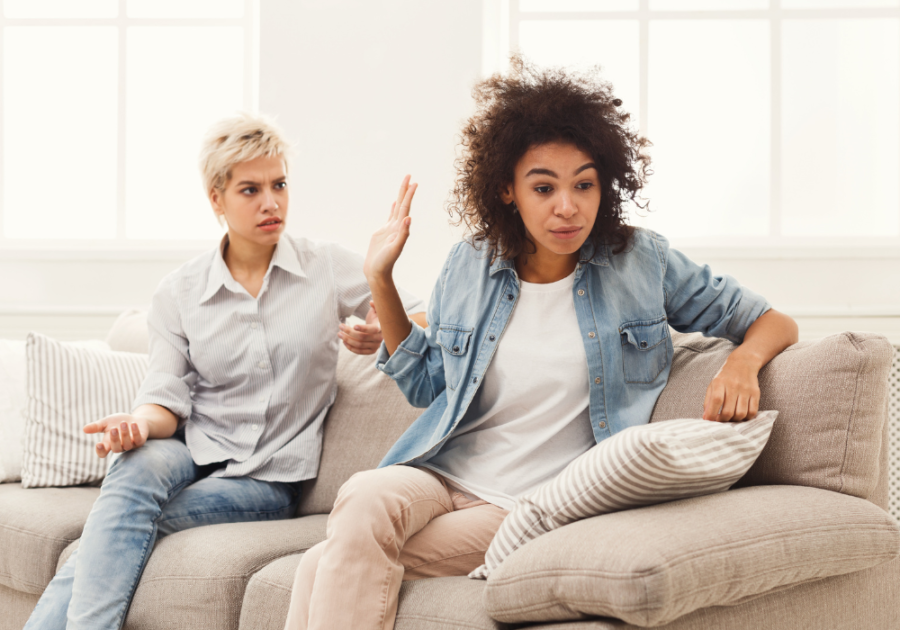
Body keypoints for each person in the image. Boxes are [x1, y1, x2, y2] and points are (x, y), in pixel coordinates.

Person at [284, 59, 799, 630]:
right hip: (443, 470)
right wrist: (380, 280)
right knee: (363, 494)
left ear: (606, 182)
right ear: (507, 189)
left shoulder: (641, 261)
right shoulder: (471, 264)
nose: (567, 207)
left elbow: (771, 320)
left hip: (528, 502)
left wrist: (744, 364)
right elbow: (428, 384)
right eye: (544, 187)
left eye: (584, 184)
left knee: (322, 563)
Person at [24, 113, 426, 630]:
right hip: (192, 450)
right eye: (250, 189)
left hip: (267, 475)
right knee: (133, 472)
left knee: (115, 529)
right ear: (217, 198)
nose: (271, 202)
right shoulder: (179, 291)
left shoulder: (324, 266)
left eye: (279, 184)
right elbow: (165, 401)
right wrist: (138, 426)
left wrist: (379, 328)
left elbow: (420, 314)